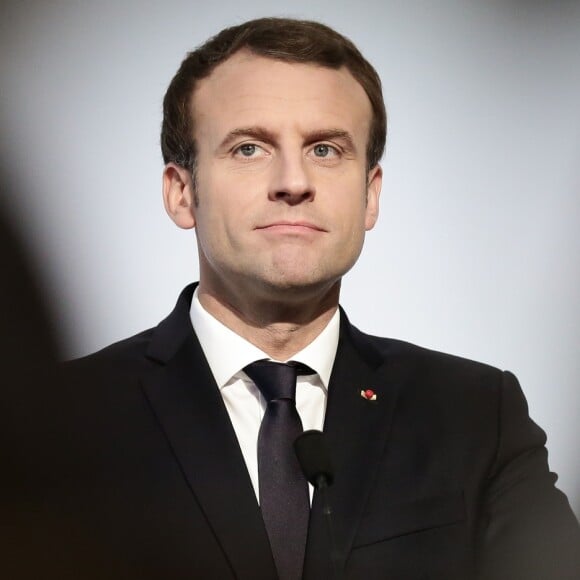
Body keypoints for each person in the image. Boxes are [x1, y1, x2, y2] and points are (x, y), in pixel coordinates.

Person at [8, 17, 579, 580]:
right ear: (182, 193)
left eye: (326, 150)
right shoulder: (62, 421)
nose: (293, 181)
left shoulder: (476, 417)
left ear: (370, 195)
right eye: (250, 148)